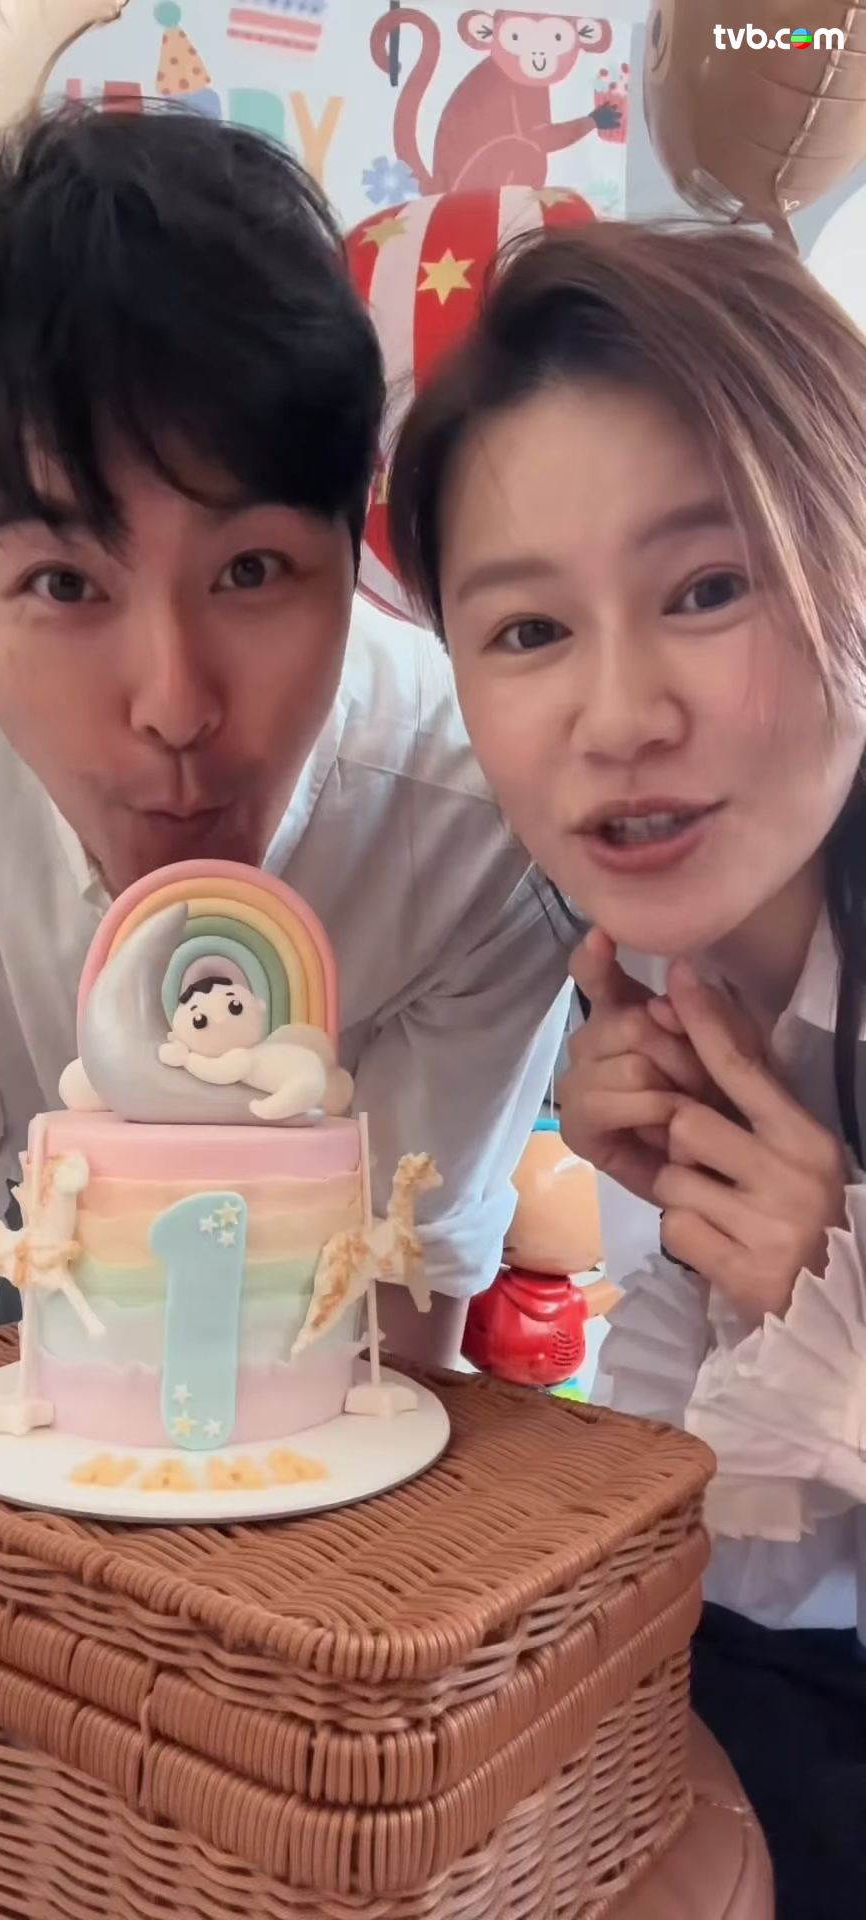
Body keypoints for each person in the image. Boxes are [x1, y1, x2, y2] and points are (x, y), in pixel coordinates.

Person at [0, 104, 571, 1369]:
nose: (173, 705)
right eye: (62, 584)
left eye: (251, 569)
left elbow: (397, 1290)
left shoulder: (470, 815)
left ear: (351, 559)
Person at [388, 218, 866, 1916]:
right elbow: (727, 1522)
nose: (616, 717)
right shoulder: (663, 954)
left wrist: (838, 1308)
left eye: (707, 590)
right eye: (527, 630)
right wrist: (715, 1255)